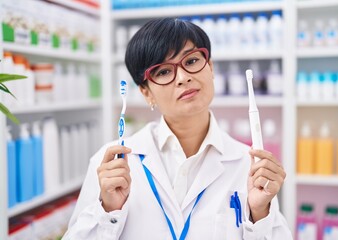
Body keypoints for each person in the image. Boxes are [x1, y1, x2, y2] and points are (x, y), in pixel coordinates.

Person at [63, 18, 292, 240]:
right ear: (146, 93)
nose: (183, 77)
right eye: (163, 71)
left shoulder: (248, 164)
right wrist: (109, 211)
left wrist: (259, 213)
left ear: (210, 68)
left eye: (191, 61)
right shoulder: (112, 164)